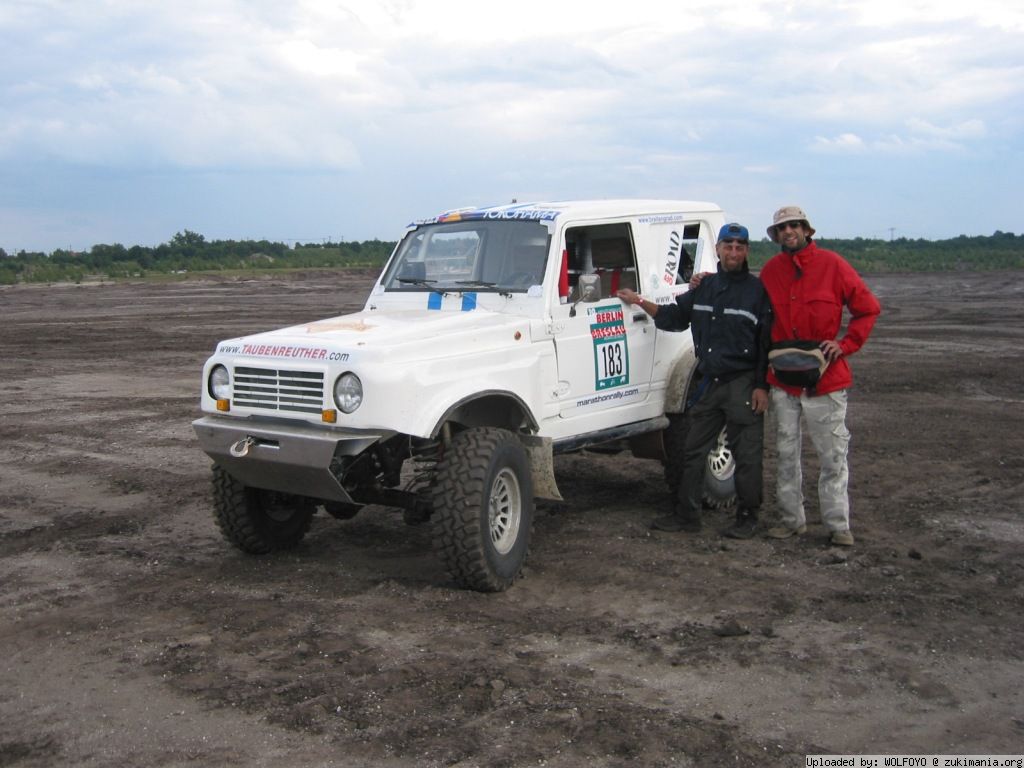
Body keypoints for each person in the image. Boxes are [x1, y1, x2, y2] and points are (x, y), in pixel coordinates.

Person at [617, 223, 772, 539]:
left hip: (742, 383)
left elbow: (766, 344)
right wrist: (638, 300)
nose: (733, 252)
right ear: (717, 250)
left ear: (746, 252)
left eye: (739, 247)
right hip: (710, 383)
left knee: (747, 454)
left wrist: (761, 386)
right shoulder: (704, 288)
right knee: (690, 449)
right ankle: (688, 515)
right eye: (727, 246)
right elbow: (674, 318)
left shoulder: (757, 293)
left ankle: (748, 517)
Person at [759, 206, 881, 546]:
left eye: (794, 225)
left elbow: (867, 308)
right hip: (783, 381)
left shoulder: (833, 265)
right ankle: (790, 520)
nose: (788, 231)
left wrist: (846, 344)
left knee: (832, 456)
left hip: (825, 380)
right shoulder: (770, 272)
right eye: (782, 227)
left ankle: (837, 525)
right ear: (776, 234)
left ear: (807, 230)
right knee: (785, 454)